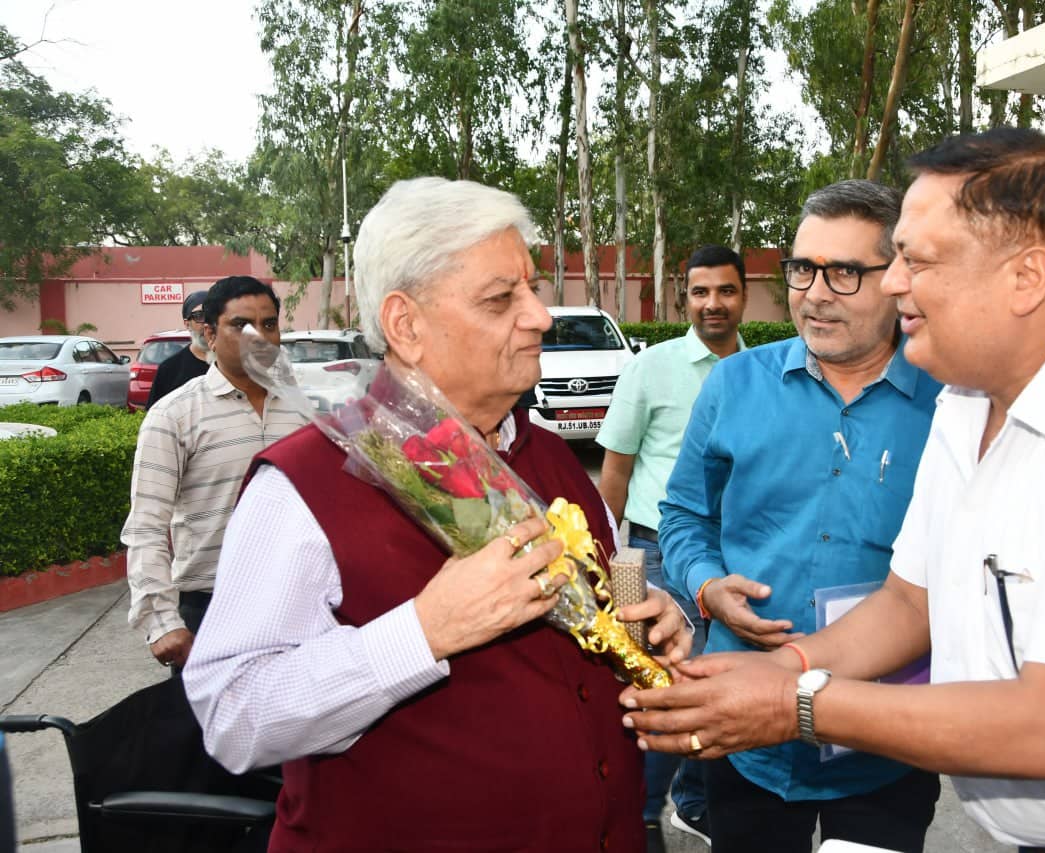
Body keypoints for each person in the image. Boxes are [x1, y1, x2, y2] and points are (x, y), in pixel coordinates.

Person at [621, 128, 1045, 852]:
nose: (893, 283)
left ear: (1026, 276)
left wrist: (793, 703)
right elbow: (912, 601)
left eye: (916, 260)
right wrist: (779, 668)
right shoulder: (967, 400)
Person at [184, 177, 692, 852]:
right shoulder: (301, 485)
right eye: (501, 298)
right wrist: (424, 631)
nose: (540, 316)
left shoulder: (553, 456)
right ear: (406, 325)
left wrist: (652, 614)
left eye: (533, 289)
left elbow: (607, 586)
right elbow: (232, 714)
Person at [654, 181, 944, 853]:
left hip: (888, 738)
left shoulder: (951, 403)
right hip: (745, 728)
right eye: (802, 269)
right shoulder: (734, 384)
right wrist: (707, 585)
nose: (815, 293)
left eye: (843, 272)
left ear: (897, 278)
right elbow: (683, 517)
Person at [597, 243, 749, 849]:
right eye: (700, 292)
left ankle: (694, 805)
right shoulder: (650, 368)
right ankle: (642, 816)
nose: (713, 303)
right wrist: (606, 564)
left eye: (726, 290)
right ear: (684, 298)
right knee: (665, 687)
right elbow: (615, 470)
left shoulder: (762, 371)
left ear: (744, 297)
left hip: (736, 557)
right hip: (659, 554)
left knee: (724, 684)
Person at [122, 276, 309, 673]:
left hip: (298, 605)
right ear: (209, 333)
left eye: (269, 324)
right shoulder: (174, 415)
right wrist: (161, 621)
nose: (259, 336)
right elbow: (146, 526)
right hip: (210, 609)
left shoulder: (302, 410)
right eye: (240, 325)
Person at [146, 289, 211, 408]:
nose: (207, 323)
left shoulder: (234, 365)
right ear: (187, 324)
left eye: (212, 315)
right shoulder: (169, 370)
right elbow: (156, 415)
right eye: (199, 316)